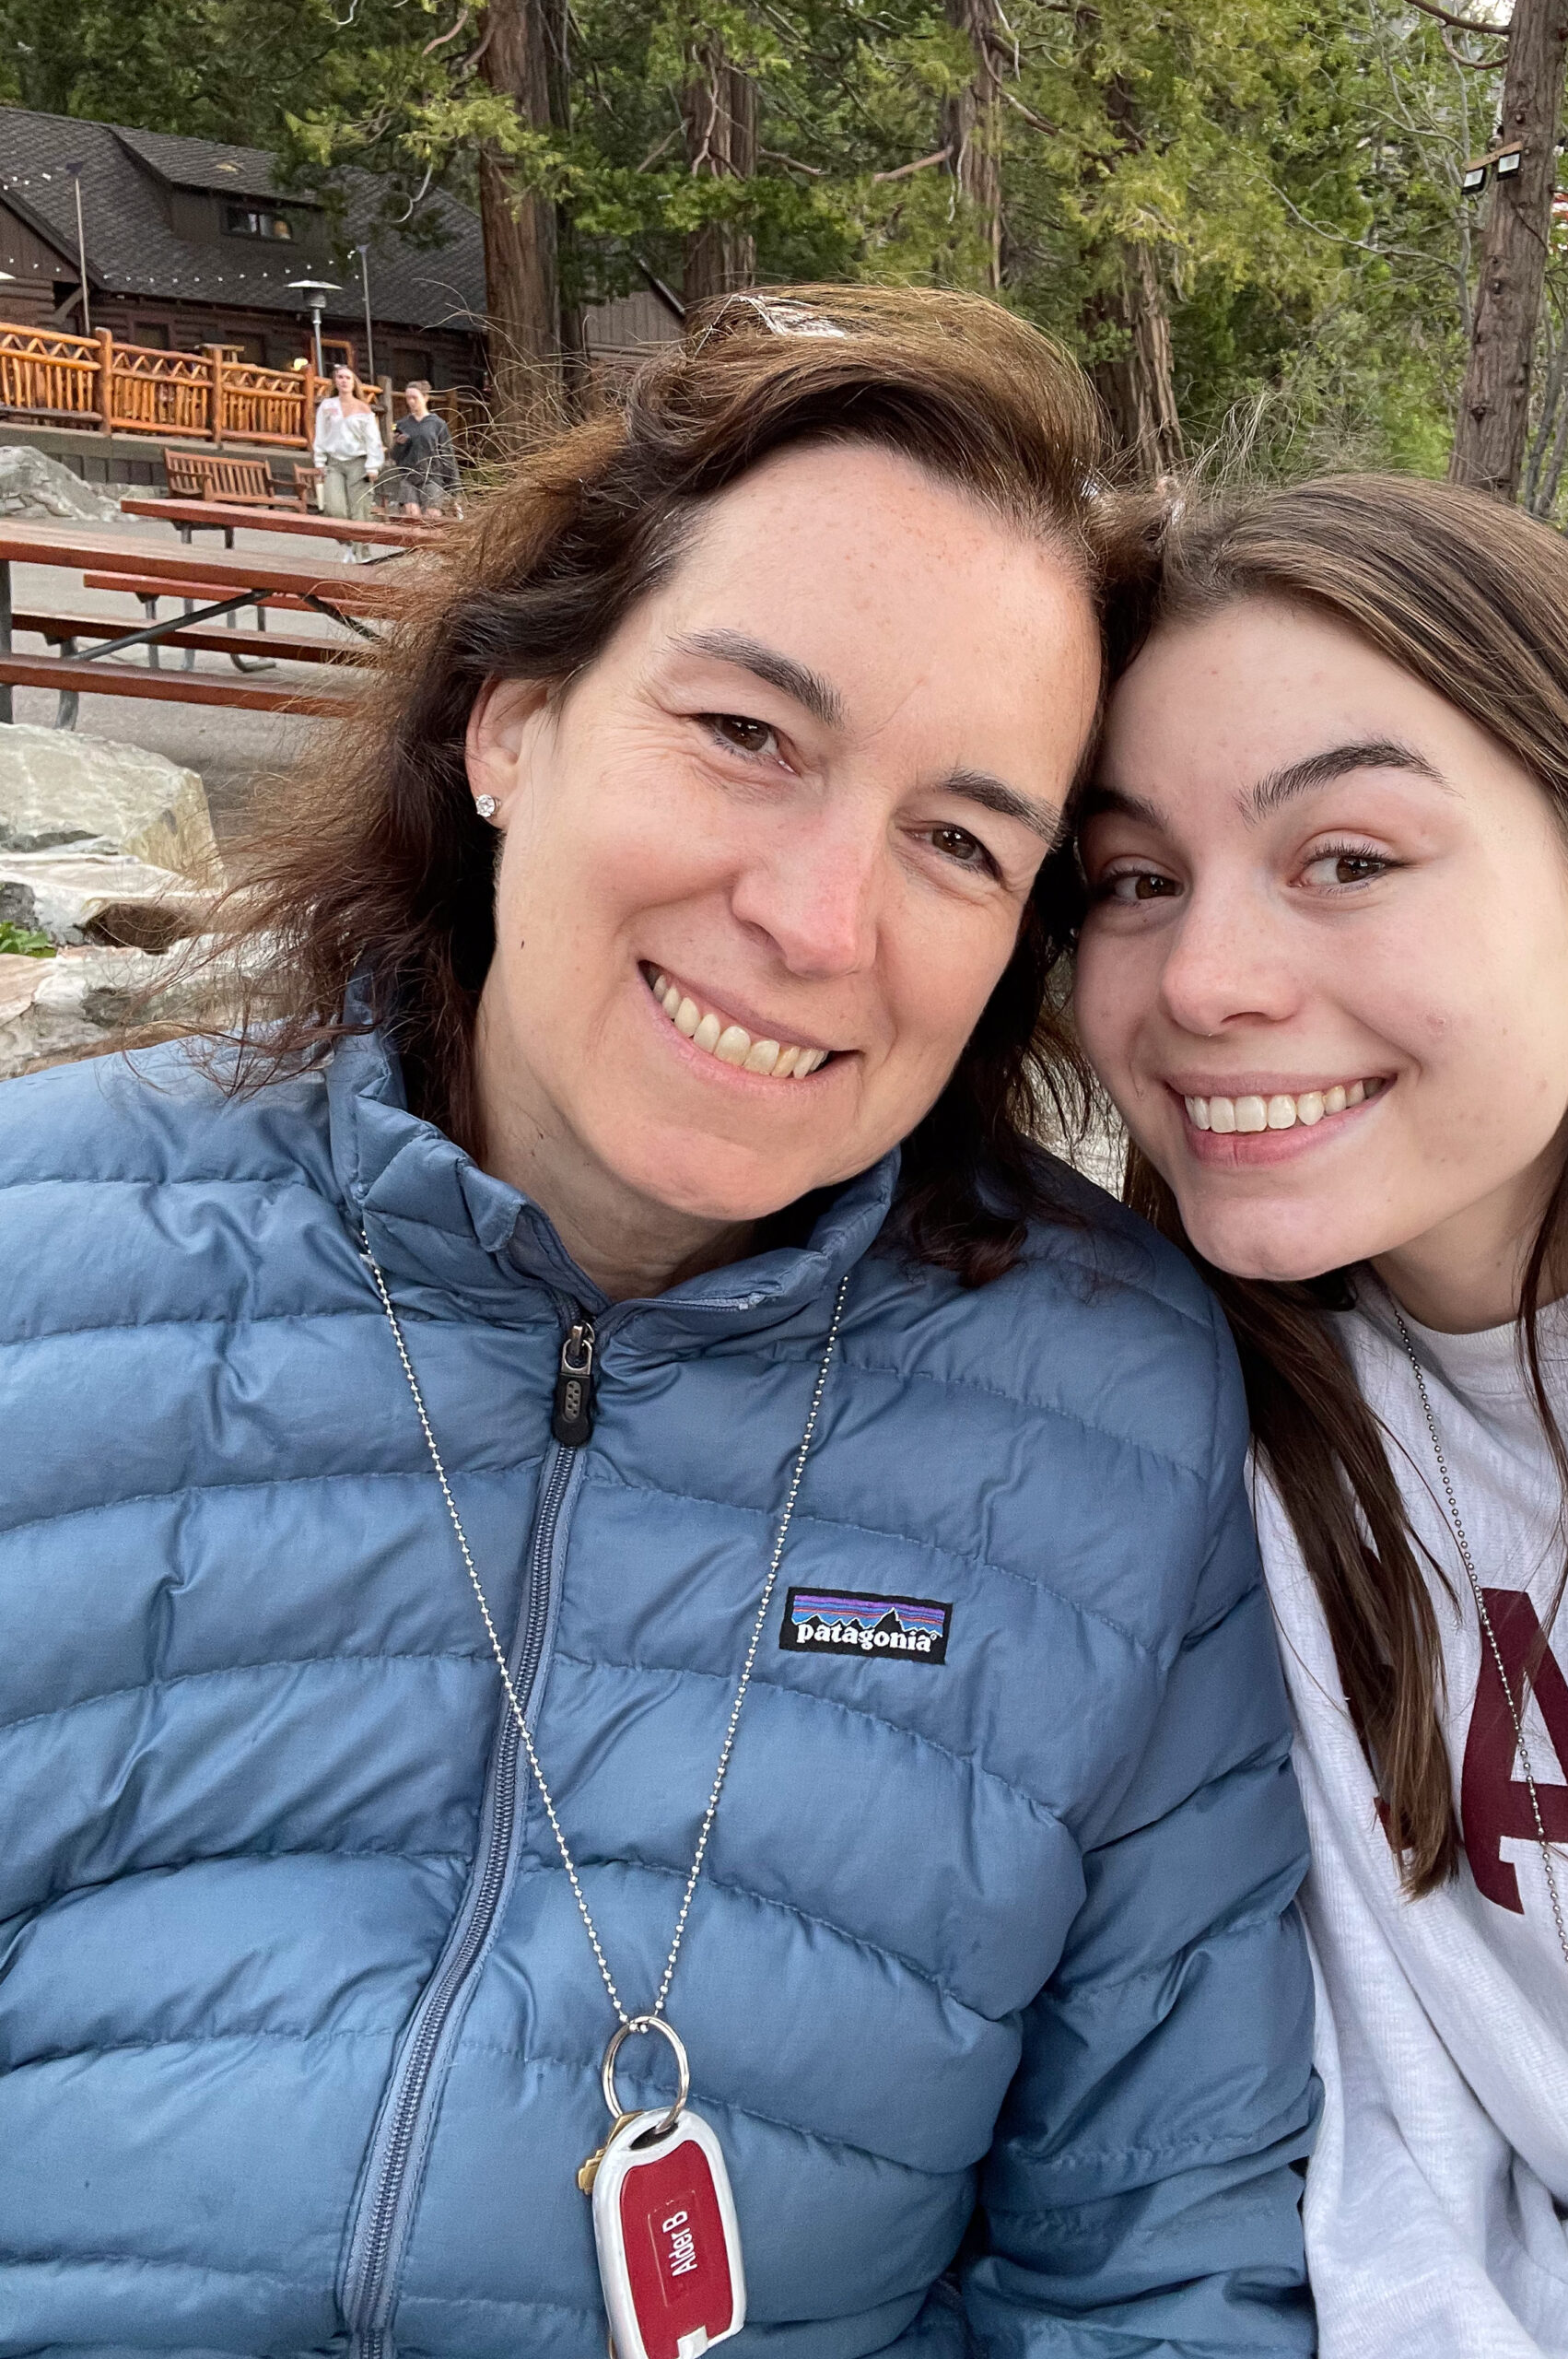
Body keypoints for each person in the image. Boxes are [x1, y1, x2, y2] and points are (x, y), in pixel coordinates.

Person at [0, 289, 1318, 2356]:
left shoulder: (1120, 1424)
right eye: (743, 734)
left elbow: (1164, 2264)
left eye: (960, 839)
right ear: (509, 720)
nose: (812, 919)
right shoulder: (34, 1255)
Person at [1073, 472, 1568, 2359]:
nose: (1204, 981)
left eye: (1347, 857)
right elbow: (1375, 2173)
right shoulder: (1182, 1453)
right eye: (1134, 880)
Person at [312, 358, 384, 557]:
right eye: (340, 377)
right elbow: (321, 433)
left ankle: (363, 554)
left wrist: (373, 465)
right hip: (335, 462)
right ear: (335, 382)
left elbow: (373, 440)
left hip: (358, 462)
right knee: (335, 508)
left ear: (354, 382)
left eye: (347, 378)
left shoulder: (363, 409)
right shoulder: (327, 406)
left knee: (359, 510)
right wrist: (319, 460)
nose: (343, 381)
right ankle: (349, 541)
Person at [383, 378, 462, 518]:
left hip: (432, 476)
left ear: (425, 397)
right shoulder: (402, 424)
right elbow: (395, 456)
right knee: (412, 514)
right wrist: (399, 445)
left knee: (432, 515)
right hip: (409, 476)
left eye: (414, 397)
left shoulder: (438, 424)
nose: (411, 401)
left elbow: (447, 455)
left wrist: (454, 489)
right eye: (408, 398)